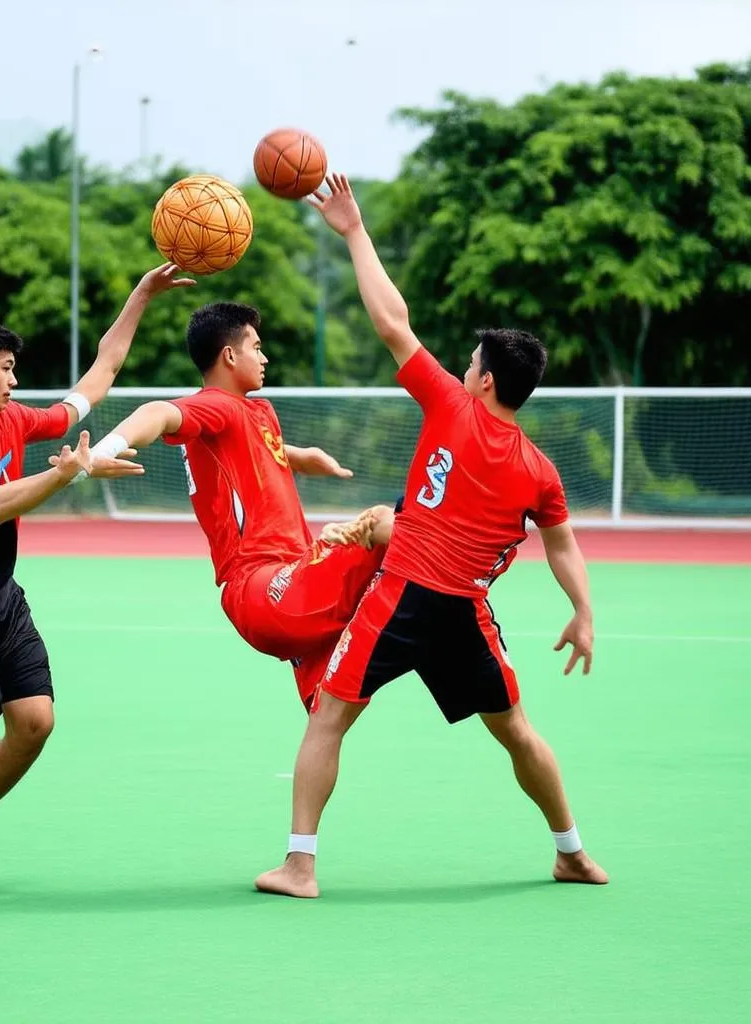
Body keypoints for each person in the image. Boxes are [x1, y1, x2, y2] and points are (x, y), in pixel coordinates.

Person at [254, 175, 607, 899]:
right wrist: (584, 612)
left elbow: (391, 322)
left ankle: (300, 866)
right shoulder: (541, 471)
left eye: (472, 362)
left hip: (402, 597)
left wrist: (354, 231)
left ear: (481, 381)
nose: (464, 367)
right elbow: (564, 547)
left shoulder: (450, 404)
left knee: (329, 717)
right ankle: (570, 851)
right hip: (466, 615)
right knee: (516, 731)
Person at [0, 263, 192, 893]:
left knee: (36, 723)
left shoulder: (9, 419)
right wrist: (68, 475)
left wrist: (140, 295)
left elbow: (99, 379)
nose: (15, 378)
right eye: (5, 367)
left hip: (0, 593)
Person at [75, 301, 394, 710]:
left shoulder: (252, 412)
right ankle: (454, 571)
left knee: (328, 722)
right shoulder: (217, 405)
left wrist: (298, 457)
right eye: (256, 347)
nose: (264, 357)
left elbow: (252, 447)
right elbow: (156, 412)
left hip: (290, 583)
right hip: (267, 588)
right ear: (229, 355)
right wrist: (104, 450)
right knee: (383, 523)